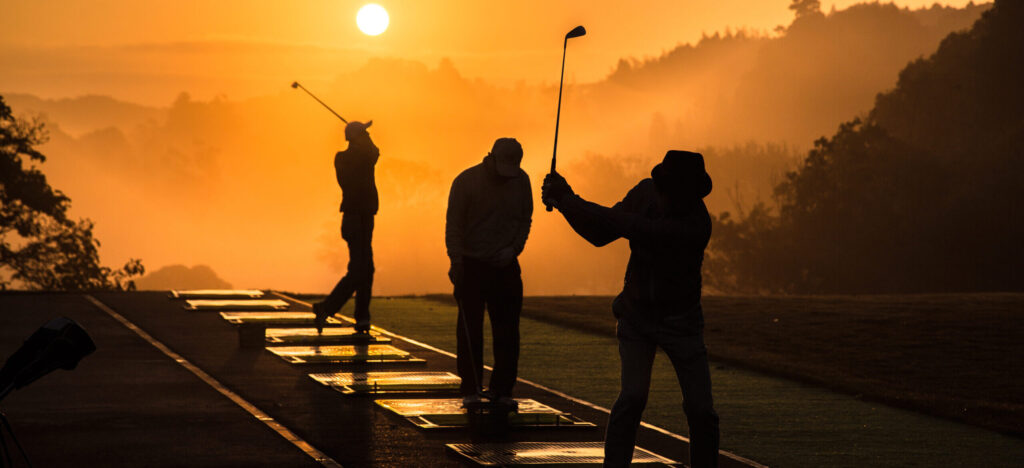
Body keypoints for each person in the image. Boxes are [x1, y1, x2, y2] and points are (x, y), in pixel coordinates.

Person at [542, 150, 720, 468]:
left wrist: (567, 197)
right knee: (633, 397)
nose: (667, 199)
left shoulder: (695, 226)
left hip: (683, 322)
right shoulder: (645, 192)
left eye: (675, 195)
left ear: (689, 196)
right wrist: (563, 205)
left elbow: (624, 224)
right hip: (636, 316)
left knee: (701, 411)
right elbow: (599, 234)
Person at [445, 137, 532, 406]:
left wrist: (514, 249)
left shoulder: (521, 180)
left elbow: (525, 219)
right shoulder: (466, 181)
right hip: (471, 265)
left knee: (507, 331)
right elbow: (454, 226)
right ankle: (470, 388)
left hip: (506, 264)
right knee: (469, 329)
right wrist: (456, 262)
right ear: (491, 159)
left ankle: (503, 390)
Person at [314, 121, 379, 334]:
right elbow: (373, 153)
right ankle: (327, 307)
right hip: (355, 219)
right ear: (356, 138)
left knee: (365, 269)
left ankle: (361, 318)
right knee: (361, 269)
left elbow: (373, 153)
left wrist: (362, 132)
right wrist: (364, 135)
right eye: (364, 134)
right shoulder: (348, 158)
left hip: (363, 218)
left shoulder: (355, 157)